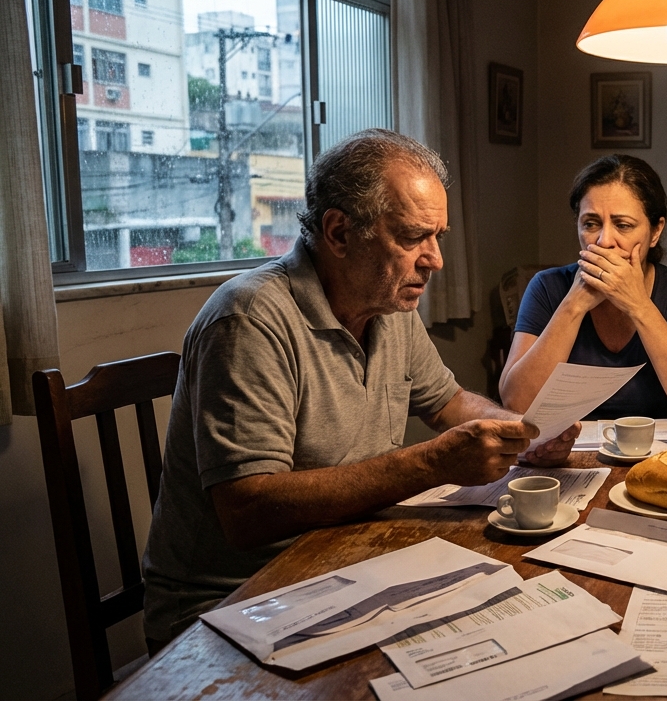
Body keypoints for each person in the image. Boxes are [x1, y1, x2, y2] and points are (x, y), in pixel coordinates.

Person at [141, 129, 577, 649]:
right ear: (339, 232)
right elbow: (246, 512)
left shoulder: (388, 305)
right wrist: (431, 463)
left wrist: (525, 431)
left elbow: (448, 402)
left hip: (343, 563)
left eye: (438, 236)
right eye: (413, 237)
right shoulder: (249, 319)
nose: (435, 259)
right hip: (237, 602)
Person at [500, 155, 667, 424]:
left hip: (662, 446)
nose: (604, 241)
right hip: (568, 444)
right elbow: (516, 403)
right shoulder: (547, 287)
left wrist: (638, 305)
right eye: (590, 224)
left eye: (623, 225)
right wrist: (574, 305)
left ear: (655, 232)